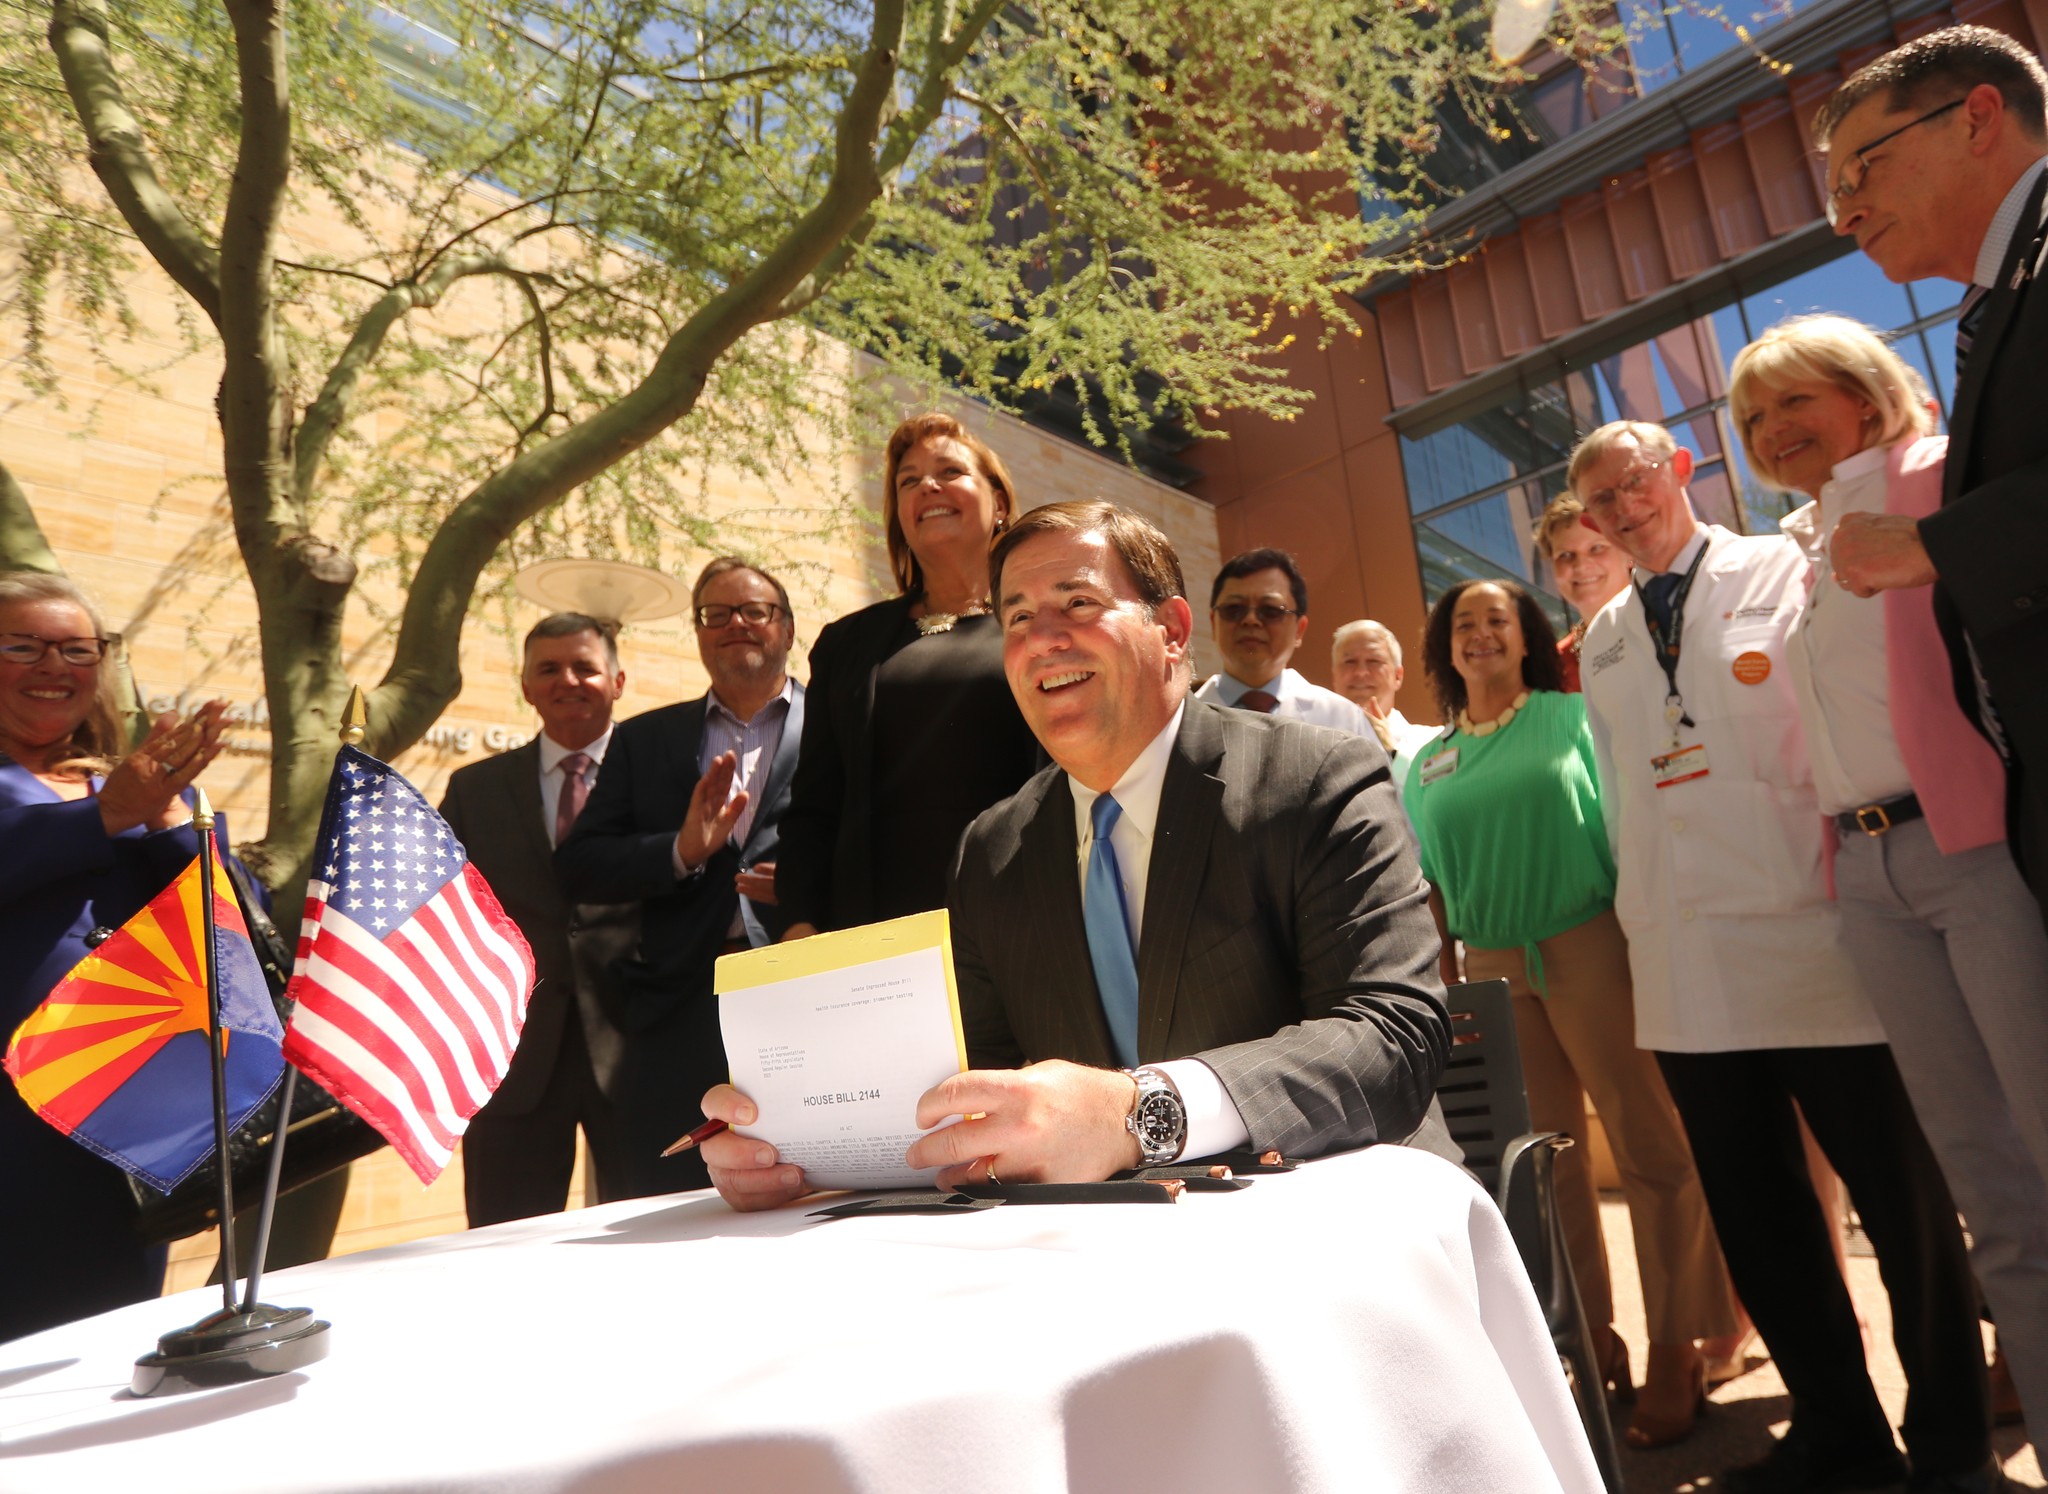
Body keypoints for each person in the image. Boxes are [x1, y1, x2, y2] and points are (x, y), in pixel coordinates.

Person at [700, 500, 1457, 1210]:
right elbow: (976, 1085)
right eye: (1019, 617)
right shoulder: (991, 851)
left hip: (1339, 1218)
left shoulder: (1319, 780)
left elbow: (1393, 1034)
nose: (1041, 637)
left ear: (1172, 630)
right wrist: (801, 1149)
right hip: (1105, 1250)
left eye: (1079, 604)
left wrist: (1138, 1112)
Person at [1572, 419, 1996, 1494]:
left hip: (1813, 934)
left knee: (1900, 1207)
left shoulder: (1782, 566)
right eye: (1598, 506)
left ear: (1678, 472)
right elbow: (1627, 791)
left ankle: (1947, 1441)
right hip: (1682, 957)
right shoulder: (1605, 637)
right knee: (1757, 1215)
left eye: (1634, 486)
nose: (1623, 514)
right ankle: (1836, 1432)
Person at [1732, 313, 2048, 1439]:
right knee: (1988, 1196)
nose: (1770, 429)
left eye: (1791, 402)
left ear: (1862, 398)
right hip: (1863, 877)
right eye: (1752, 417)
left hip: (1972, 851)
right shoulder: (1799, 545)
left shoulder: (1934, 476)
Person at [1406, 575, 1738, 1448]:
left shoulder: (1571, 719)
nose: (1480, 633)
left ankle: (1677, 1344)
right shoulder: (1426, 760)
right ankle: (1590, 1339)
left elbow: (1628, 829)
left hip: (1591, 945)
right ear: (1445, 647)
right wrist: (1443, 981)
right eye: (1463, 623)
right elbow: (1430, 883)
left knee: (1649, 1145)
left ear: (1526, 639)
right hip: (1490, 968)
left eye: (1498, 620)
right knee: (1542, 1170)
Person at [1817, 25, 2048, 931]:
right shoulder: (1999, 307)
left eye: (1858, 172)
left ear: (1978, 116)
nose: (1842, 216)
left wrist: (1935, 544)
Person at [0, 572, 232, 1341]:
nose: (53, 666)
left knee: (102, 1345)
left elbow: (235, 928)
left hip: (127, 1120)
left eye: (76, 649)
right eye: (23, 646)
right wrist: (105, 816)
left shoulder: (131, 784)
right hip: (15, 1123)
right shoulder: (111, 796)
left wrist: (171, 821)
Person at [556, 559, 804, 1195]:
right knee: (661, 1200)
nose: (735, 625)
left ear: (787, 628)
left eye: (754, 611)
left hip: (804, 994)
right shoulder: (644, 740)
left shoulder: (838, 724)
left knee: (809, 1184)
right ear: (698, 633)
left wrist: (807, 887)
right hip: (677, 1008)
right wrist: (682, 851)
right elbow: (580, 865)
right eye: (714, 615)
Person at [774, 414, 1042, 937]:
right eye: (909, 480)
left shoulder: (1041, 625)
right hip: (876, 940)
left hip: (1022, 925)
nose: (928, 486)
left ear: (1000, 505)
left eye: (950, 471)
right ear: (900, 515)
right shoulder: (847, 644)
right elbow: (814, 805)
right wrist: (798, 921)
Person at [440, 613, 639, 1225]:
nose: (567, 680)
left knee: (658, 1242)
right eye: (548, 669)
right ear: (526, 686)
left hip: (638, 1054)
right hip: (515, 1055)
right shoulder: (473, 790)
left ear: (618, 680)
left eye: (585, 667)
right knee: (503, 1245)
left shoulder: (659, 777)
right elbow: (448, 913)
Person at [1194, 548, 1371, 733]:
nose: (1251, 620)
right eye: (1234, 609)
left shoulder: (1344, 719)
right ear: (1214, 623)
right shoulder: (1178, 721)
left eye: (1270, 610)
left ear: (1299, 630)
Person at [1533, 495, 1633, 692]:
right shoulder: (1551, 668)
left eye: (1597, 548)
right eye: (1566, 555)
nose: (1580, 565)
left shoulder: (1668, 624)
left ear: (1628, 552)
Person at [1331, 617, 1440, 782]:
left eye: (1374, 661)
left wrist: (1391, 753)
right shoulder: (1314, 743)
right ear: (1334, 676)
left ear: (1398, 676)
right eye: (1349, 661)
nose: (1361, 672)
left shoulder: (1432, 742)